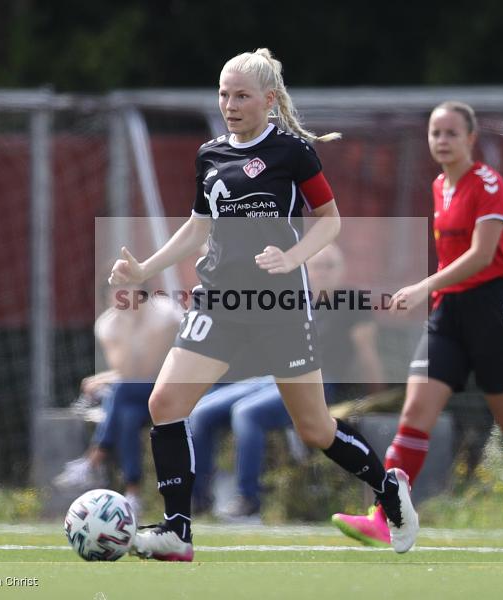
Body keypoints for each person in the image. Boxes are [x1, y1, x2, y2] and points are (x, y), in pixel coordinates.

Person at [108, 48, 417, 562]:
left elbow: (331, 219)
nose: (230, 104)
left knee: (315, 428)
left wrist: (290, 256)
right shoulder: (210, 154)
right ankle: (177, 531)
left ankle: (391, 494)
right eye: (224, 94)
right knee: (164, 404)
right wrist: (143, 269)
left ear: (268, 100)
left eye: (242, 95)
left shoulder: (293, 152)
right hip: (219, 302)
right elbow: (198, 228)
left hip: (280, 306)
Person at [331, 101, 503, 550]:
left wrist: (423, 285)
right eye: (435, 133)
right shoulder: (438, 185)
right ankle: (384, 516)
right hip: (449, 315)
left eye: (451, 133)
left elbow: (482, 256)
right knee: (413, 414)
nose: (442, 141)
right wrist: (434, 293)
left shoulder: (488, 184)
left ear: (471, 138)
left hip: (492, 311)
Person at [189, 243, 386, 522]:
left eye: (331, 266)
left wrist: (375, 395)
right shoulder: (294, 299)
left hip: (319, 383)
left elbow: (367, 352)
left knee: (246, 413)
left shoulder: (352, 302)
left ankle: (248, 501)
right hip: (274, 377)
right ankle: (197, 502)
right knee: (201, 411)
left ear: (342, 270)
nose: (324, 272)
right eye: (318, 265)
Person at [53, 286, 182, 518]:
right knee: (127, 416)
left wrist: (104, 378)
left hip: (172, 388)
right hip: (136, 396)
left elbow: (147, 369)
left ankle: (94, 458)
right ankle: (133, 494)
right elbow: (126, 370)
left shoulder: (165, 314)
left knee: (118, 391)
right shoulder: (108, 324)